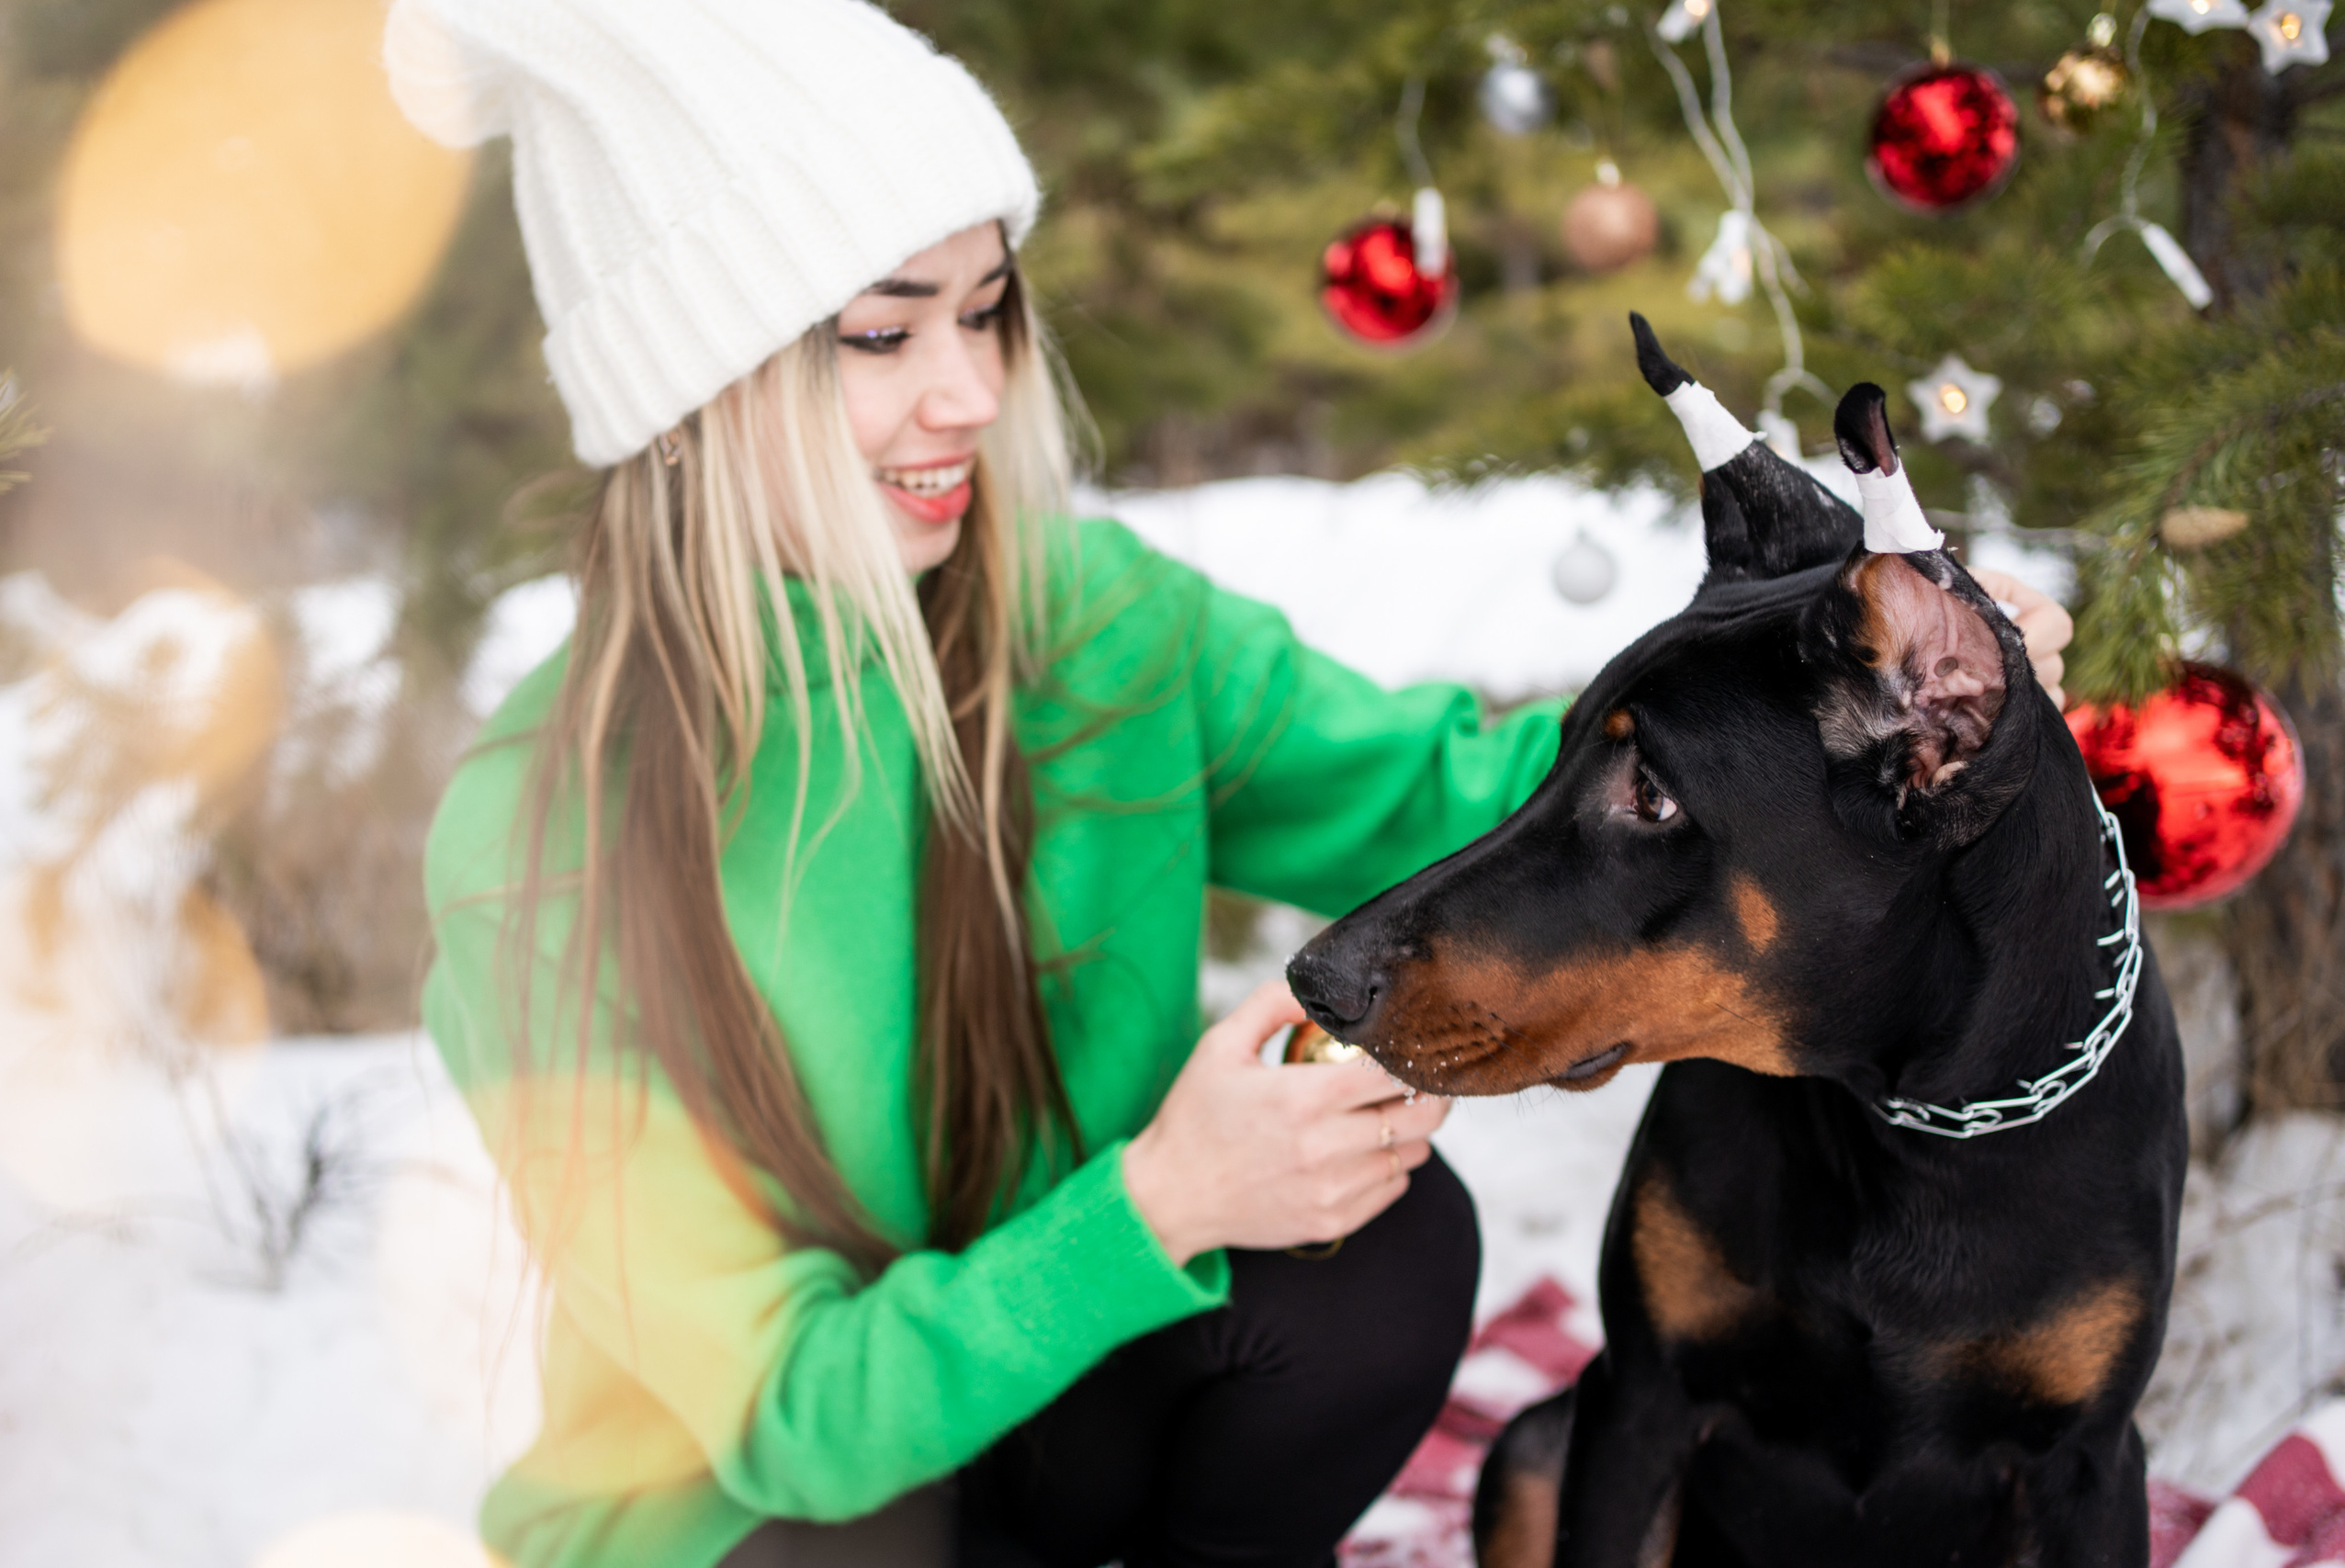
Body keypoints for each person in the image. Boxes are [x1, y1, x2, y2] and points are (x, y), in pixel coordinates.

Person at [393, 6, 2072, 1568]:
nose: (970, 392)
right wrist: (1164, 1198)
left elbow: (1477, 801)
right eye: (882, 333)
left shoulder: (1098, 628)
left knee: (1379, 1254)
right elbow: (787, 1424)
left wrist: (1851, 725)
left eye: (987, 310)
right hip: (753, 1521)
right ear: (689, 397)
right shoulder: (539, 838)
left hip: (1044, 1419)